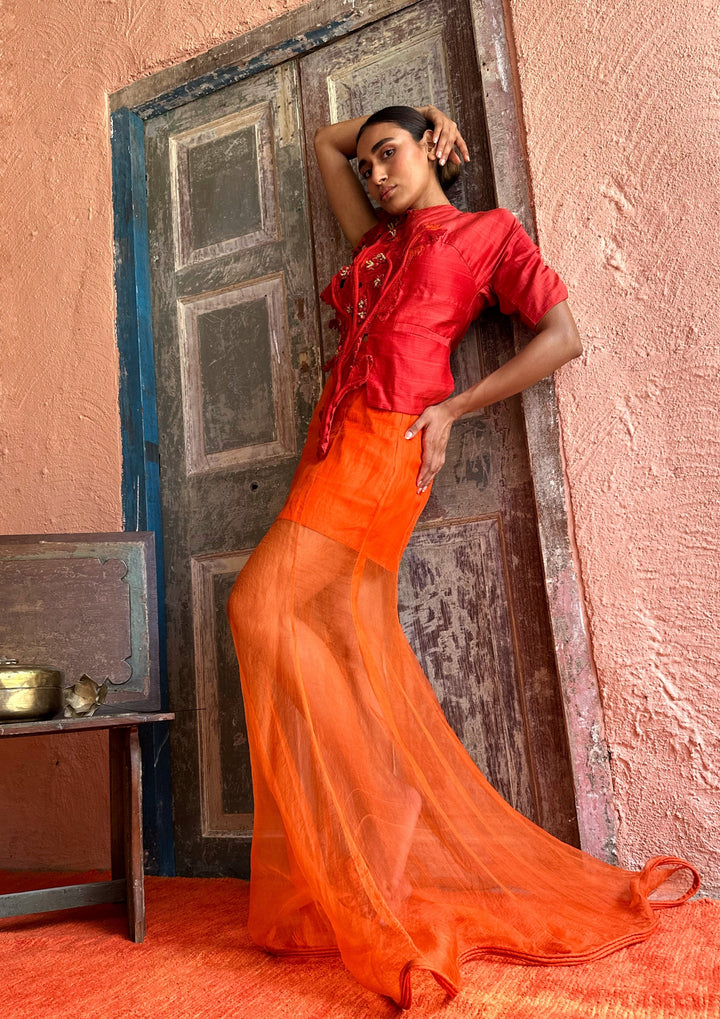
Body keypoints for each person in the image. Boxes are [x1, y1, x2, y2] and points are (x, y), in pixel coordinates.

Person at [227, 105, 699, 1008]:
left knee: (257, 609)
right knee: (317, 627)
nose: (372, 172)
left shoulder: (487, 236)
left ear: (432, 152)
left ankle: (381, 790)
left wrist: (454, 407)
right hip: (333, 448)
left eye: (391, 153)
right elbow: (325, 140)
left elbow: (564, 336)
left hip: (386, 446)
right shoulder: (379, 241)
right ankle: (382, 793)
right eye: (368, 165)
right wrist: (395, 126)